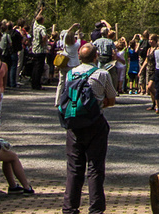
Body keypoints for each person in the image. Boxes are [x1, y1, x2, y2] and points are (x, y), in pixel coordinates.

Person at [61, 42, 116, 214]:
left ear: (79, 57)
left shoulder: (70, 74)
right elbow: (112, 99)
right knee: (95, 168)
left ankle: (69, 208)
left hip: (74, 124)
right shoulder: (102, 74)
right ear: (96, 57)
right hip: (95, 123)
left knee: (74, 168)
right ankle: (96, 209)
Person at [31, 10, 47, 90]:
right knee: (39, 68)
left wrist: (41, 10)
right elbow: (44, 36)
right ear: (42, 21)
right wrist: (44, 43)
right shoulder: (42, 27)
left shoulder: (35, 26)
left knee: (35, 67)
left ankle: (33, 83)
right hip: (40, 50)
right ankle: (37, 84)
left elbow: (35, 19)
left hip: (34, 49)